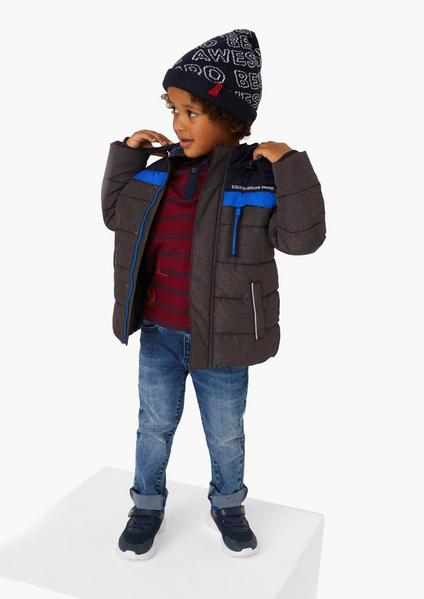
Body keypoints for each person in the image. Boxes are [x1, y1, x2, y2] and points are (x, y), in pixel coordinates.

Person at [101, 28, 326, 560]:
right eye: (173, 109)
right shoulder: (159, 173)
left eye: (192, 112)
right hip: (160, 331)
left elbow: (302, 239)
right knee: (154, 426)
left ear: (231, 119)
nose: (178, 124)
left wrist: (290, 166)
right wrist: (127, 157)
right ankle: (146, 504)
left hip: (224, 341)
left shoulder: (258, 178)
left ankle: (227, 504)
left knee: (225, 433)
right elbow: (115, 215)